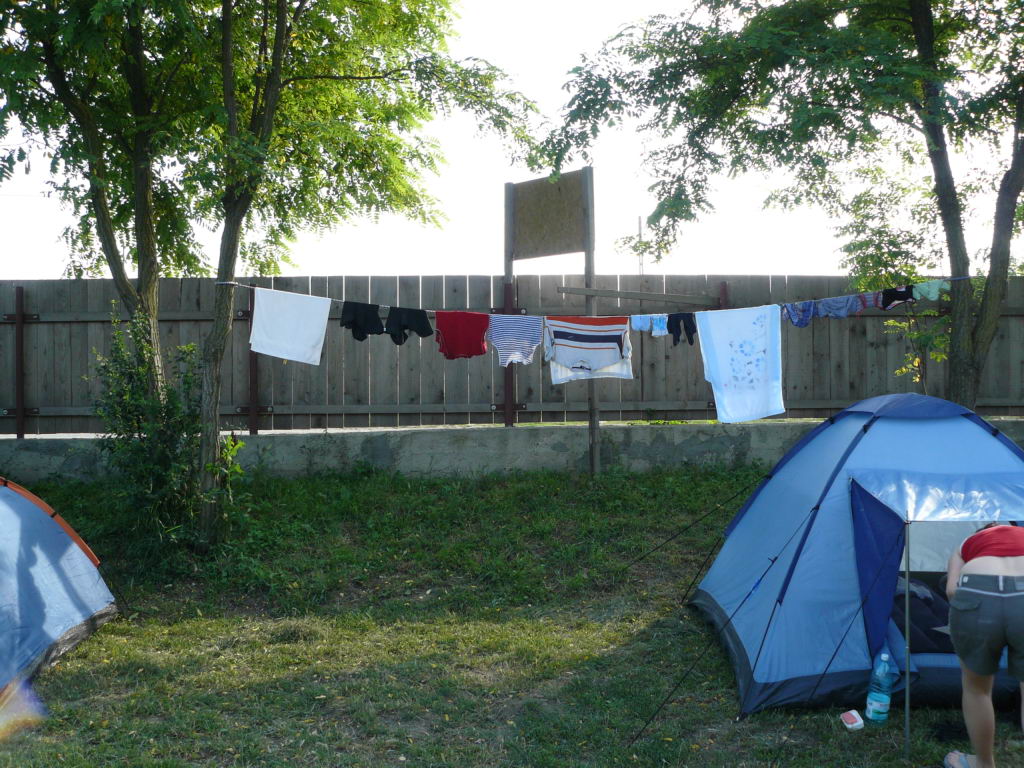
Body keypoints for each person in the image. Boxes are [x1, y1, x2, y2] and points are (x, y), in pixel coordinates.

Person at [944, 522, 1024, 768]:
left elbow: (951, 591)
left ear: (982, 531)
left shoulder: (966, 544)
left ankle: (983, 763)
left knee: (977, 689)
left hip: (978, 592)